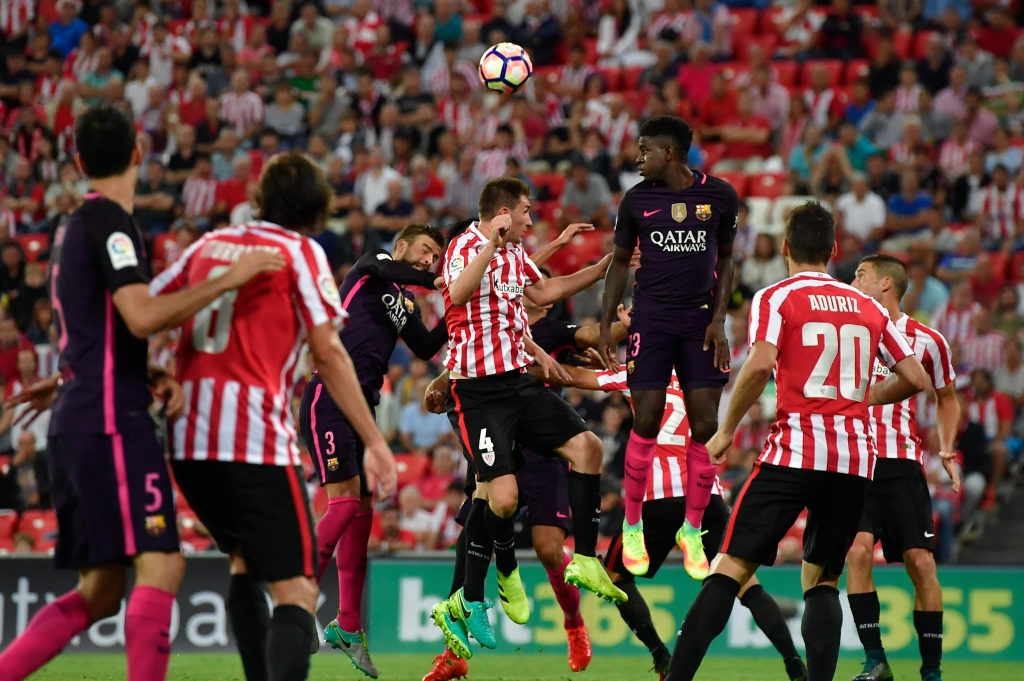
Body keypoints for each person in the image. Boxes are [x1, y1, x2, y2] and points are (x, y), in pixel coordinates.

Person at [0, 103, 284, 681]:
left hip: (83, 412)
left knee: (103, 591)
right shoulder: (109, 221)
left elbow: (97, 330)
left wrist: (101, 377)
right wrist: (228, 277)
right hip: (108, 420)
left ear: (78, 160)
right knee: (162, 568)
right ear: (139, 153)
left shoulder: (72, 225)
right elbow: (139, 315)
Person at [151, 153, 396, 681]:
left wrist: (158, 372)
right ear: (316, 207)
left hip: (187, 440)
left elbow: (144, 310)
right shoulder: (299, 251)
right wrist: (375, 441)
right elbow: (329, 353)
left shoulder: (207, 244)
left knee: (243, 560)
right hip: (252, 438)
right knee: (298, 589)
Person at [663, 202, 930, 681]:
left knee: (730, 567)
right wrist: (867, 399)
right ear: (833, 250)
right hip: (852, 461)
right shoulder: (869, 307)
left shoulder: (776, 297)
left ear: (785, 247)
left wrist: (726, 430)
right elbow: (914, 376)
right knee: (823, 580)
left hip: (794, 451)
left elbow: (761, 364)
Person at [431, 177, 621, 660]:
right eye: (525, 212)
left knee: (589, 448)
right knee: (502, 497)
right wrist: (490, 244)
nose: (531, 220)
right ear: (502, 213)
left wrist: (600, 270)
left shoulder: (516, 253)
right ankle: (477, 595)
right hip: (478, 394)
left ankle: (585, 559)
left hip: (518, 382)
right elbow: (456, 294)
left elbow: (544, 292)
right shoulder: (466, 245)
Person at [297, 222, 447, 678]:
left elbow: (424, 347)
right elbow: (371, 261)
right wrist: (436, 280)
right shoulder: (372, 268)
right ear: (402, 246)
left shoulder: (403, 301)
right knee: (343, 507)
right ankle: (297, 600)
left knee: (361, 515)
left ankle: (348, 624)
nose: (428, 260)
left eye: (435, 257)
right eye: (425, 251)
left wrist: (456, 307)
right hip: (330, 398)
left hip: (363, 407)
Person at [598, 115, 738, 582]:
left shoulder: (719, 195)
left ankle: (692, 530)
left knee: (705, 424)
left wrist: (719, 320)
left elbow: (727, 259)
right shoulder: (636, 200)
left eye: (644, 151)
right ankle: (632, 525)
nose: (638, 158)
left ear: (669, 153)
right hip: (652, 318)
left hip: (699, 320)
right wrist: (605, 323)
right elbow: (619, 263)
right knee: (646, 417)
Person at [847, 255, 961, 681]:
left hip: (900, 462)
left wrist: (946, 447)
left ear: (886, 285)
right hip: (854, 460)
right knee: (857, 552)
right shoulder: (849, 332)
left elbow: (946, 398)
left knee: (921, 562)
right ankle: (876, 660)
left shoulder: (927, 340)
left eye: (861, 273)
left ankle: (931, 670)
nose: (852, 279)